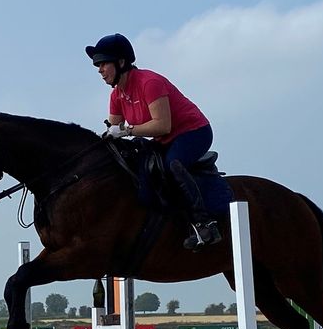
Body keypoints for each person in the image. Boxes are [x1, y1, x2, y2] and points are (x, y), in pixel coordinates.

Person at [86, 32, 222, 249]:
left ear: (121, 62)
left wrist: (126, 130)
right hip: (164, 139)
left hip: (193, 132)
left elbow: (162, 125)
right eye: (98, 66)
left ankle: (205, 223)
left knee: (173, 165)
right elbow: (113, 129)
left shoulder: (149, 83)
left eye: (103, 64)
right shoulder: (116, 95)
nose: (100, 70)